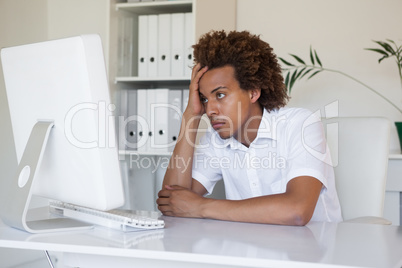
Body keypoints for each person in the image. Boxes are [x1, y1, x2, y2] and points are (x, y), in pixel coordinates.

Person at [156, 30, 342, 226]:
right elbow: (173, 202)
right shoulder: (215, 139)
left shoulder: (301, 124)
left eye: (219, 95)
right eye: (204, 98)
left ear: (253, 92)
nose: (209, 109)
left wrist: (201, 207)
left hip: (314, 251)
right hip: (248, 252)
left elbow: (297, 210)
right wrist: (191, 115)